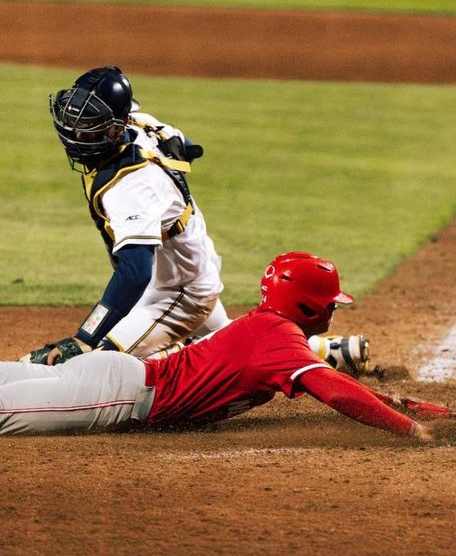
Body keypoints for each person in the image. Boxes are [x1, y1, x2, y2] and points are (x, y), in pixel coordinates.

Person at [0, 253, 453, 442]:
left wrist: (393, 395)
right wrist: (404, 426)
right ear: (312, 305)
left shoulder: (265, 330)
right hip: (117, 393)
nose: (332, 312)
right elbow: (329, 388)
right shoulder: (280, 343)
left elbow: (323, 374)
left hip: (116, 375)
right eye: (330, 304)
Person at [22, 66, 369, 376]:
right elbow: (183, 142)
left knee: (92, 364)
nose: (75, 133)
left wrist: (84, 338)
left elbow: (134, 273)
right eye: (74, 121)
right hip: (188, 266)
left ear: (115, 129)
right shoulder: (140, 124)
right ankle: (326, 351)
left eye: (89, 128)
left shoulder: (131, 188)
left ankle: (176, 352)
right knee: (231, 339)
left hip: (177, 291)